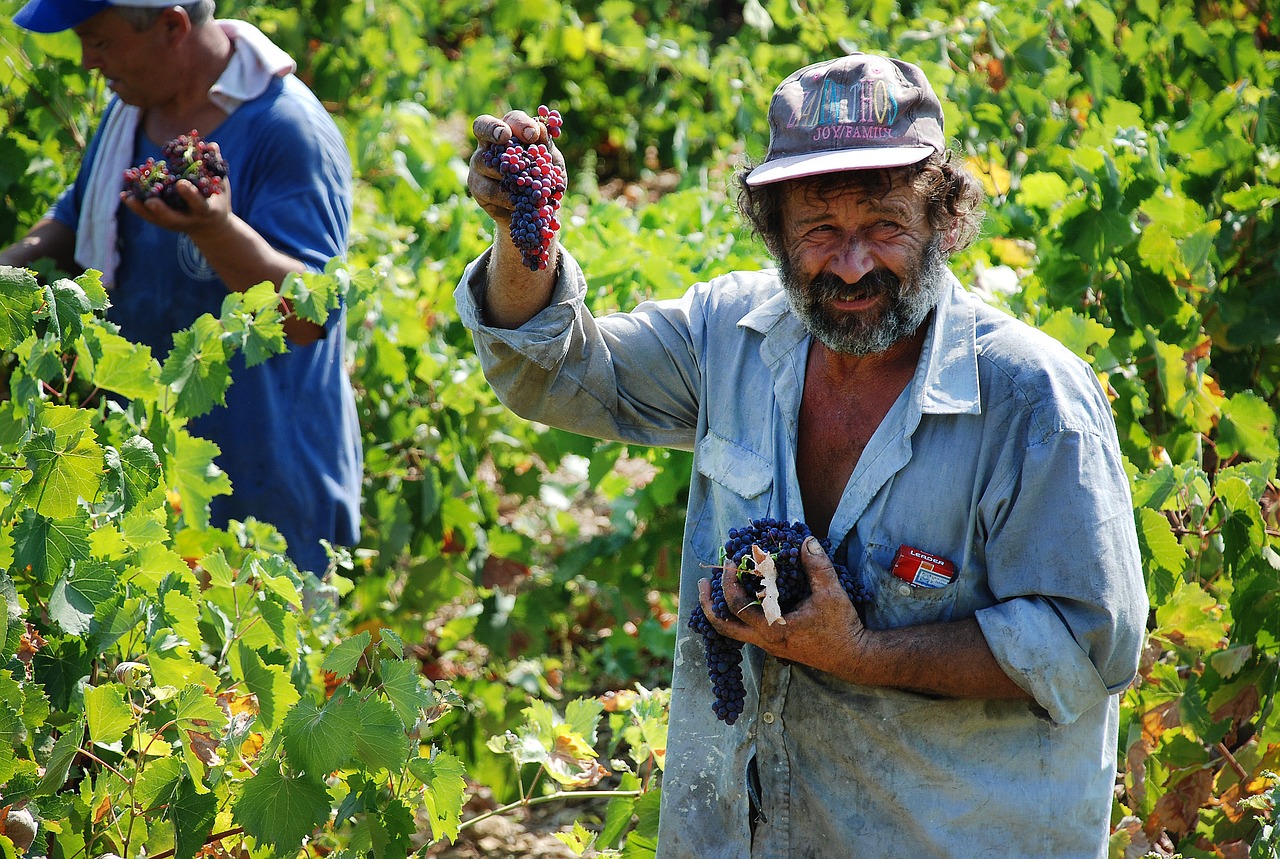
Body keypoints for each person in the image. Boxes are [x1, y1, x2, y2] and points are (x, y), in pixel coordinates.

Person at [457, 53, 1148, 857]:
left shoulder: (1032, 401)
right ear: (775, 233)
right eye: (820, 230)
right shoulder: (731, 337)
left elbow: (1086, 643)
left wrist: (862, 652)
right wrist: (523, 238)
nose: (852, 264)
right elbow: (559, 373)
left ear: (945, 220)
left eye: (884, 224)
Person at [1, 0, 362, 576]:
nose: (88, 61)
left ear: (172, 26)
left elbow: (309, 315)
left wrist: (215, 230)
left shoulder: (285, 130)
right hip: (146, 477)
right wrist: (11, 269)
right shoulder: (132, 112)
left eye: (100, 41)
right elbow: (75, 215)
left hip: (266, 504)